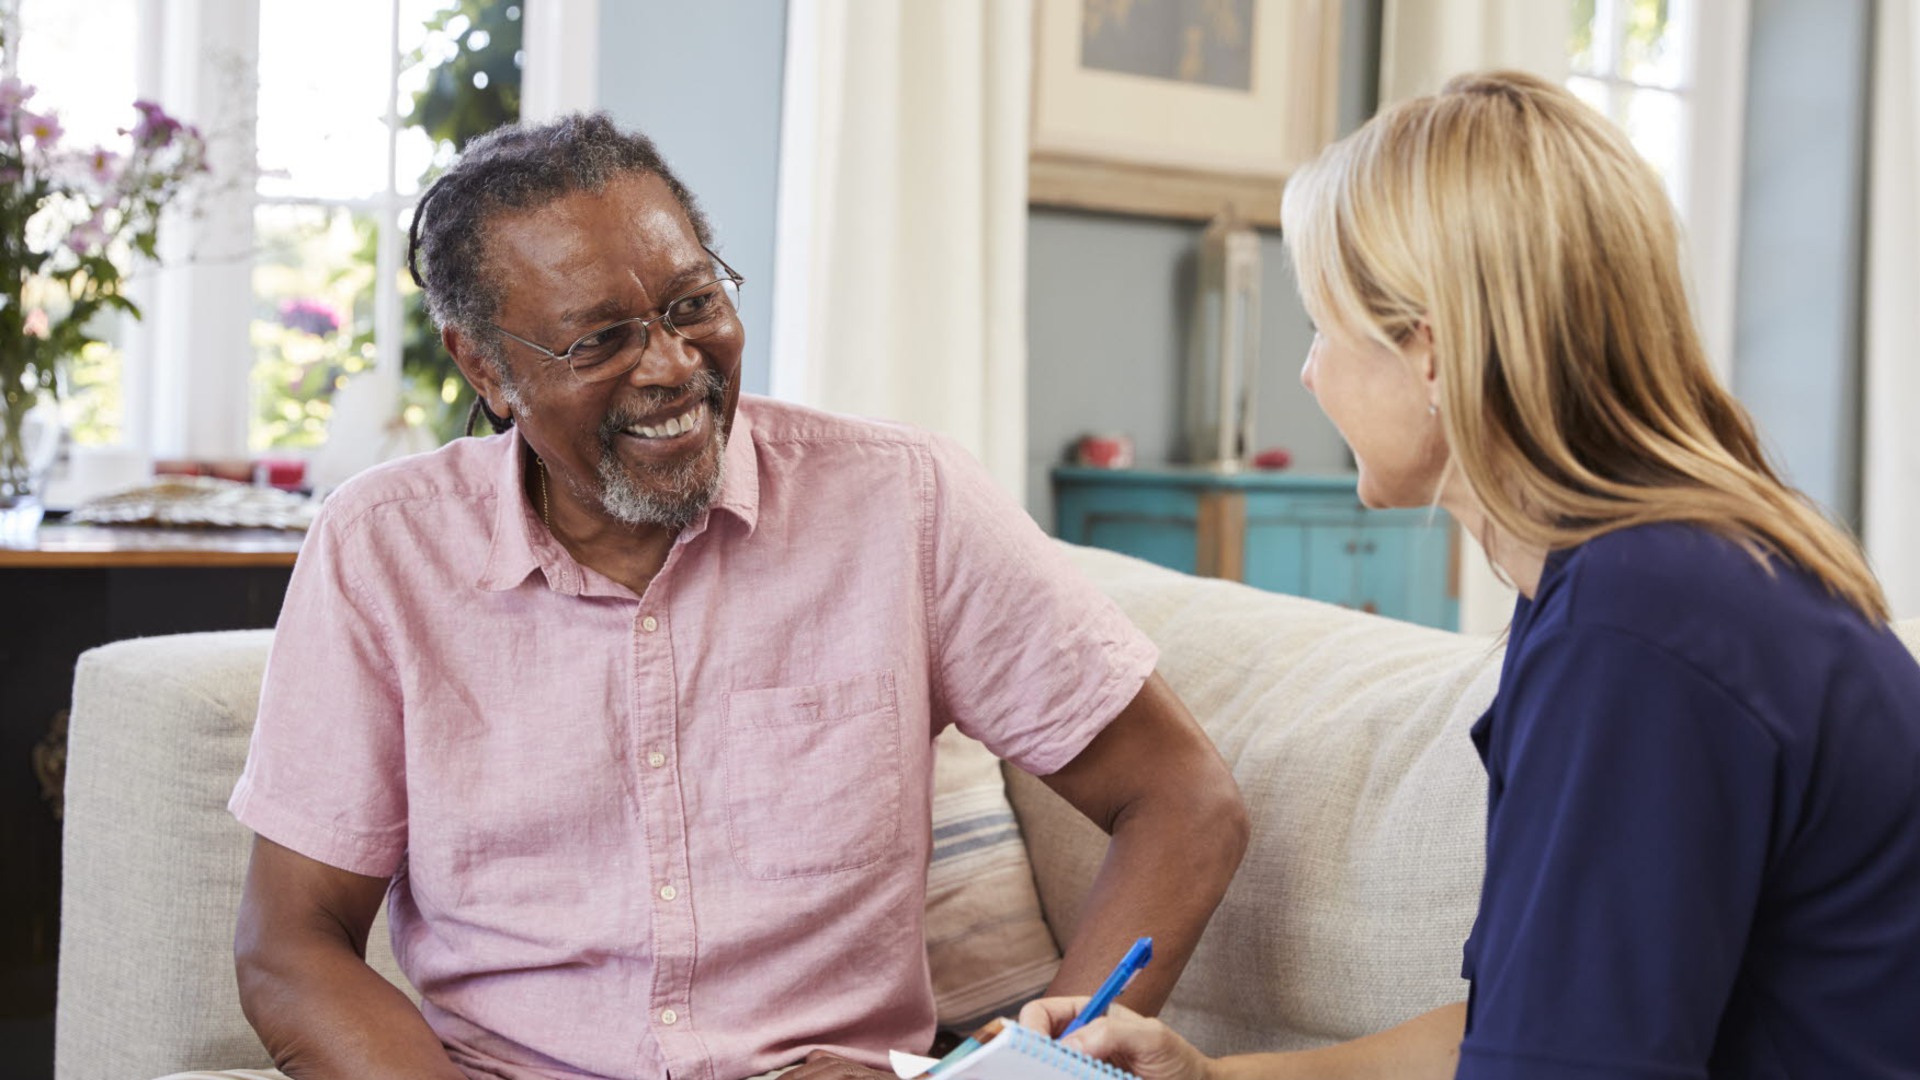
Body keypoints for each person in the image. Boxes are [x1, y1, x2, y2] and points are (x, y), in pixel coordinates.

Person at [227, 113, 1250, 1080]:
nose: (673, 367)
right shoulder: (382, 550)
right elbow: (291, 944)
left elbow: (1181, 800)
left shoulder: (906, 501)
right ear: (486, 368)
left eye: (692, 306)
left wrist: (1040, 1072)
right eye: (601, 341)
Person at [1019, 70, 1920, 1079]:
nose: (1310, 373)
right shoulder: (1640, 581)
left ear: (1434, 354)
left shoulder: (1641, 632)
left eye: (1325, 326)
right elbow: (1517, 1026)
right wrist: (1216, 1075)